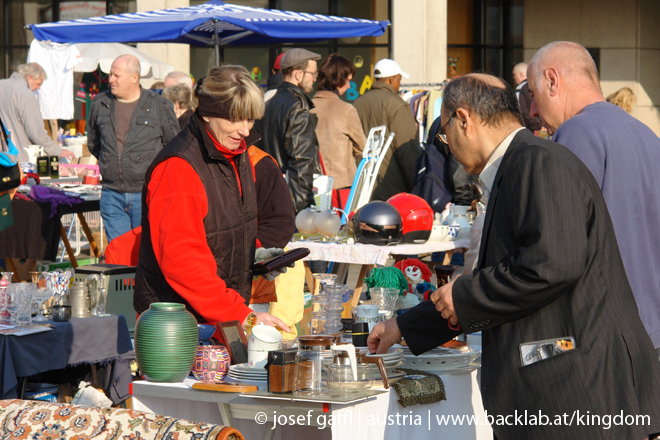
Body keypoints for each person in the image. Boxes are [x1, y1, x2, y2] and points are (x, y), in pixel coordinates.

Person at [368, 74, 660, 440]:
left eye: (444, 134)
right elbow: (508, 274)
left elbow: (552, 265)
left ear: (464, 119)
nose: (448, 147)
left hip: (575, 395)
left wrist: (463, 295)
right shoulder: (523, 163)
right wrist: (406, 326)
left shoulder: (537, 161)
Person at [134, 65, 291, 331]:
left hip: (218, 313)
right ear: (206, 113)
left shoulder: (236, 153)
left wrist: (252, 256)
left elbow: (221, 231)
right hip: (177, 322)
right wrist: (241, 314)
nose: (244, 130)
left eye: (250, 119)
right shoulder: (179, 167)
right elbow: (183, 262)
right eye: (235, 119)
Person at [528, 41, 660, 356]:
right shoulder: (646, 135)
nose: (532, 110)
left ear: (552, 80)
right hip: (650, 332)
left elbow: (557, 249)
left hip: (607, 341)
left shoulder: (576, 132)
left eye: (533, 94)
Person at [87, 54, 179, 243]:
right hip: (112, 194)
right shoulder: (99, 104)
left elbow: (174, 147)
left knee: (145, 252)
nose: (110, 79)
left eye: (116, 75)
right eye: (110, 74)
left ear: (134, 78)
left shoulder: (159, 106)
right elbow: (94, 144)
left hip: (146, 193)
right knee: (119, 255)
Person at [258, 48, 322, 213]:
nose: (315, 79)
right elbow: (300, 161)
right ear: (298, 74)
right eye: (312, 74)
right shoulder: (297, 106)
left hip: (267, 192)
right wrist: (305, 207)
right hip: (289, 200)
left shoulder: (268, 102)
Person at [353, 59, 420, 201]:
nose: (399, 84)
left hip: (360, 187)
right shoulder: (397, 105)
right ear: (391, 79)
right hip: (390, 188)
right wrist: (416, 186)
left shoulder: (357, 103)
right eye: (399, 80)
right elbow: (407, 151)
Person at [311, 54, 366, 209]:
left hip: (311, 185)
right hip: (340, 186)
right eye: (348, 80)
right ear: (339, 79)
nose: (349, 85)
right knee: (341, 230)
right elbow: (363, 147)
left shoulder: (305, 108)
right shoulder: (346, 110)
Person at [0, 63, 75, 163]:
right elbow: (36, 132)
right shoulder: (25, 95)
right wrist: (57, 151)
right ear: (30, 77)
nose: (39, 88)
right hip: (18, 159)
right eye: (39, 84)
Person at [512, 62, 542, 131]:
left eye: (514, 75)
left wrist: (538, 127)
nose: (513, 77)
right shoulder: (537, 85)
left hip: (529, 130)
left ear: (521, 74)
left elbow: (523, 110)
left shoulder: (521, 88)